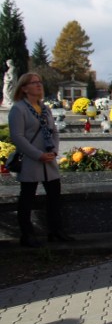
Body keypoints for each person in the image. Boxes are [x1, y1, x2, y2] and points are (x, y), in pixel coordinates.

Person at [8, 73, 74, 247]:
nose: (39, 85)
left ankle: (56, 231)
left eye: (40, 82)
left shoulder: (45, 108)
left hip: (49, 160)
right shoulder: (19, 109)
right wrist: (38, 155)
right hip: (32, 160)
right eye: (34, 83)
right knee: (27, 198)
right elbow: (17, 137)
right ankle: (27, 234)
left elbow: (54, 132)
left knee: (54, 197)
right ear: (24, 88)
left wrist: (54, 150)